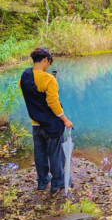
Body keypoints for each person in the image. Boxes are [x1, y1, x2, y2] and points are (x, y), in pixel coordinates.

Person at [19, 47, 73, 193]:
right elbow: (53, 103)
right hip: (51, 125)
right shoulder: (49, 79)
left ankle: (42, 180)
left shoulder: (24, 76)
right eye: (49, 63)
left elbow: (29, 91)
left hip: (35, 124)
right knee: (55, 154)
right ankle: (57, 181)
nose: (48, 66)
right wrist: (66, 120)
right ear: (45, 60)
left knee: (40, 153)